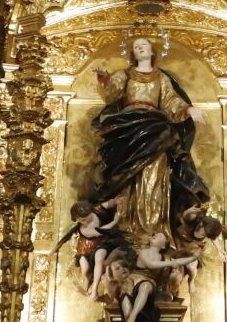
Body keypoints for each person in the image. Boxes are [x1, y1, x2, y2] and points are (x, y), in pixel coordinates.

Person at [90, 35, 209, 241]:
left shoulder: (161, 78)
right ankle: (127, 230)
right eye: (136, 46)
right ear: (133, 53)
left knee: (155, 178)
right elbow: (111, 95)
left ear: (152, 51)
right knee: (127, 177)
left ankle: (155, 230)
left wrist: (189, 109)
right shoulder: (125, 75)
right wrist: (104, 79)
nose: (140, 48)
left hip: (155, 131)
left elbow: (172, 101)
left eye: (143, 45)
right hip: (128, 130)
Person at [56, 199, 126, 295]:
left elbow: (108, 204)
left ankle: (91, 281)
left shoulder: (96, 211)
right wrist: (114, 222)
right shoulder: (84, 229)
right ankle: (87, 278)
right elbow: (100, 231)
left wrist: (116, 202)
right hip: (85, 247)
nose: (86, 221)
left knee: (99, 258)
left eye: (86, 217)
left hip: (99, 242)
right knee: (85, 270)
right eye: (82, 220)